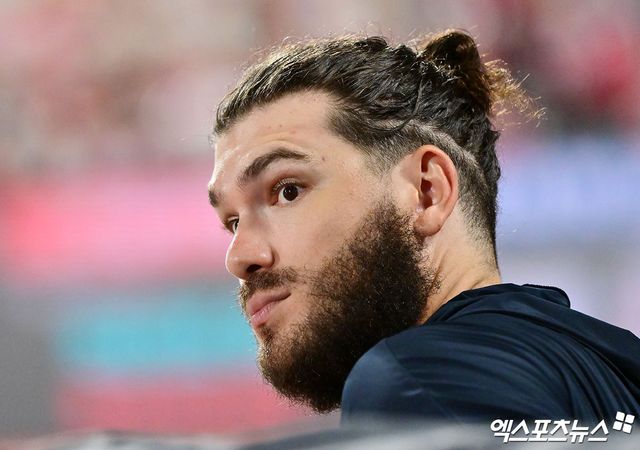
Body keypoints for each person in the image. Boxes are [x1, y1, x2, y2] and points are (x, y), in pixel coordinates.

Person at [207, 29, 640, 425]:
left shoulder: (420, 377)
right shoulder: (610, 369)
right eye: (232, 222)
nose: (239, 257)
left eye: (287, 191)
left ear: (426, 191)